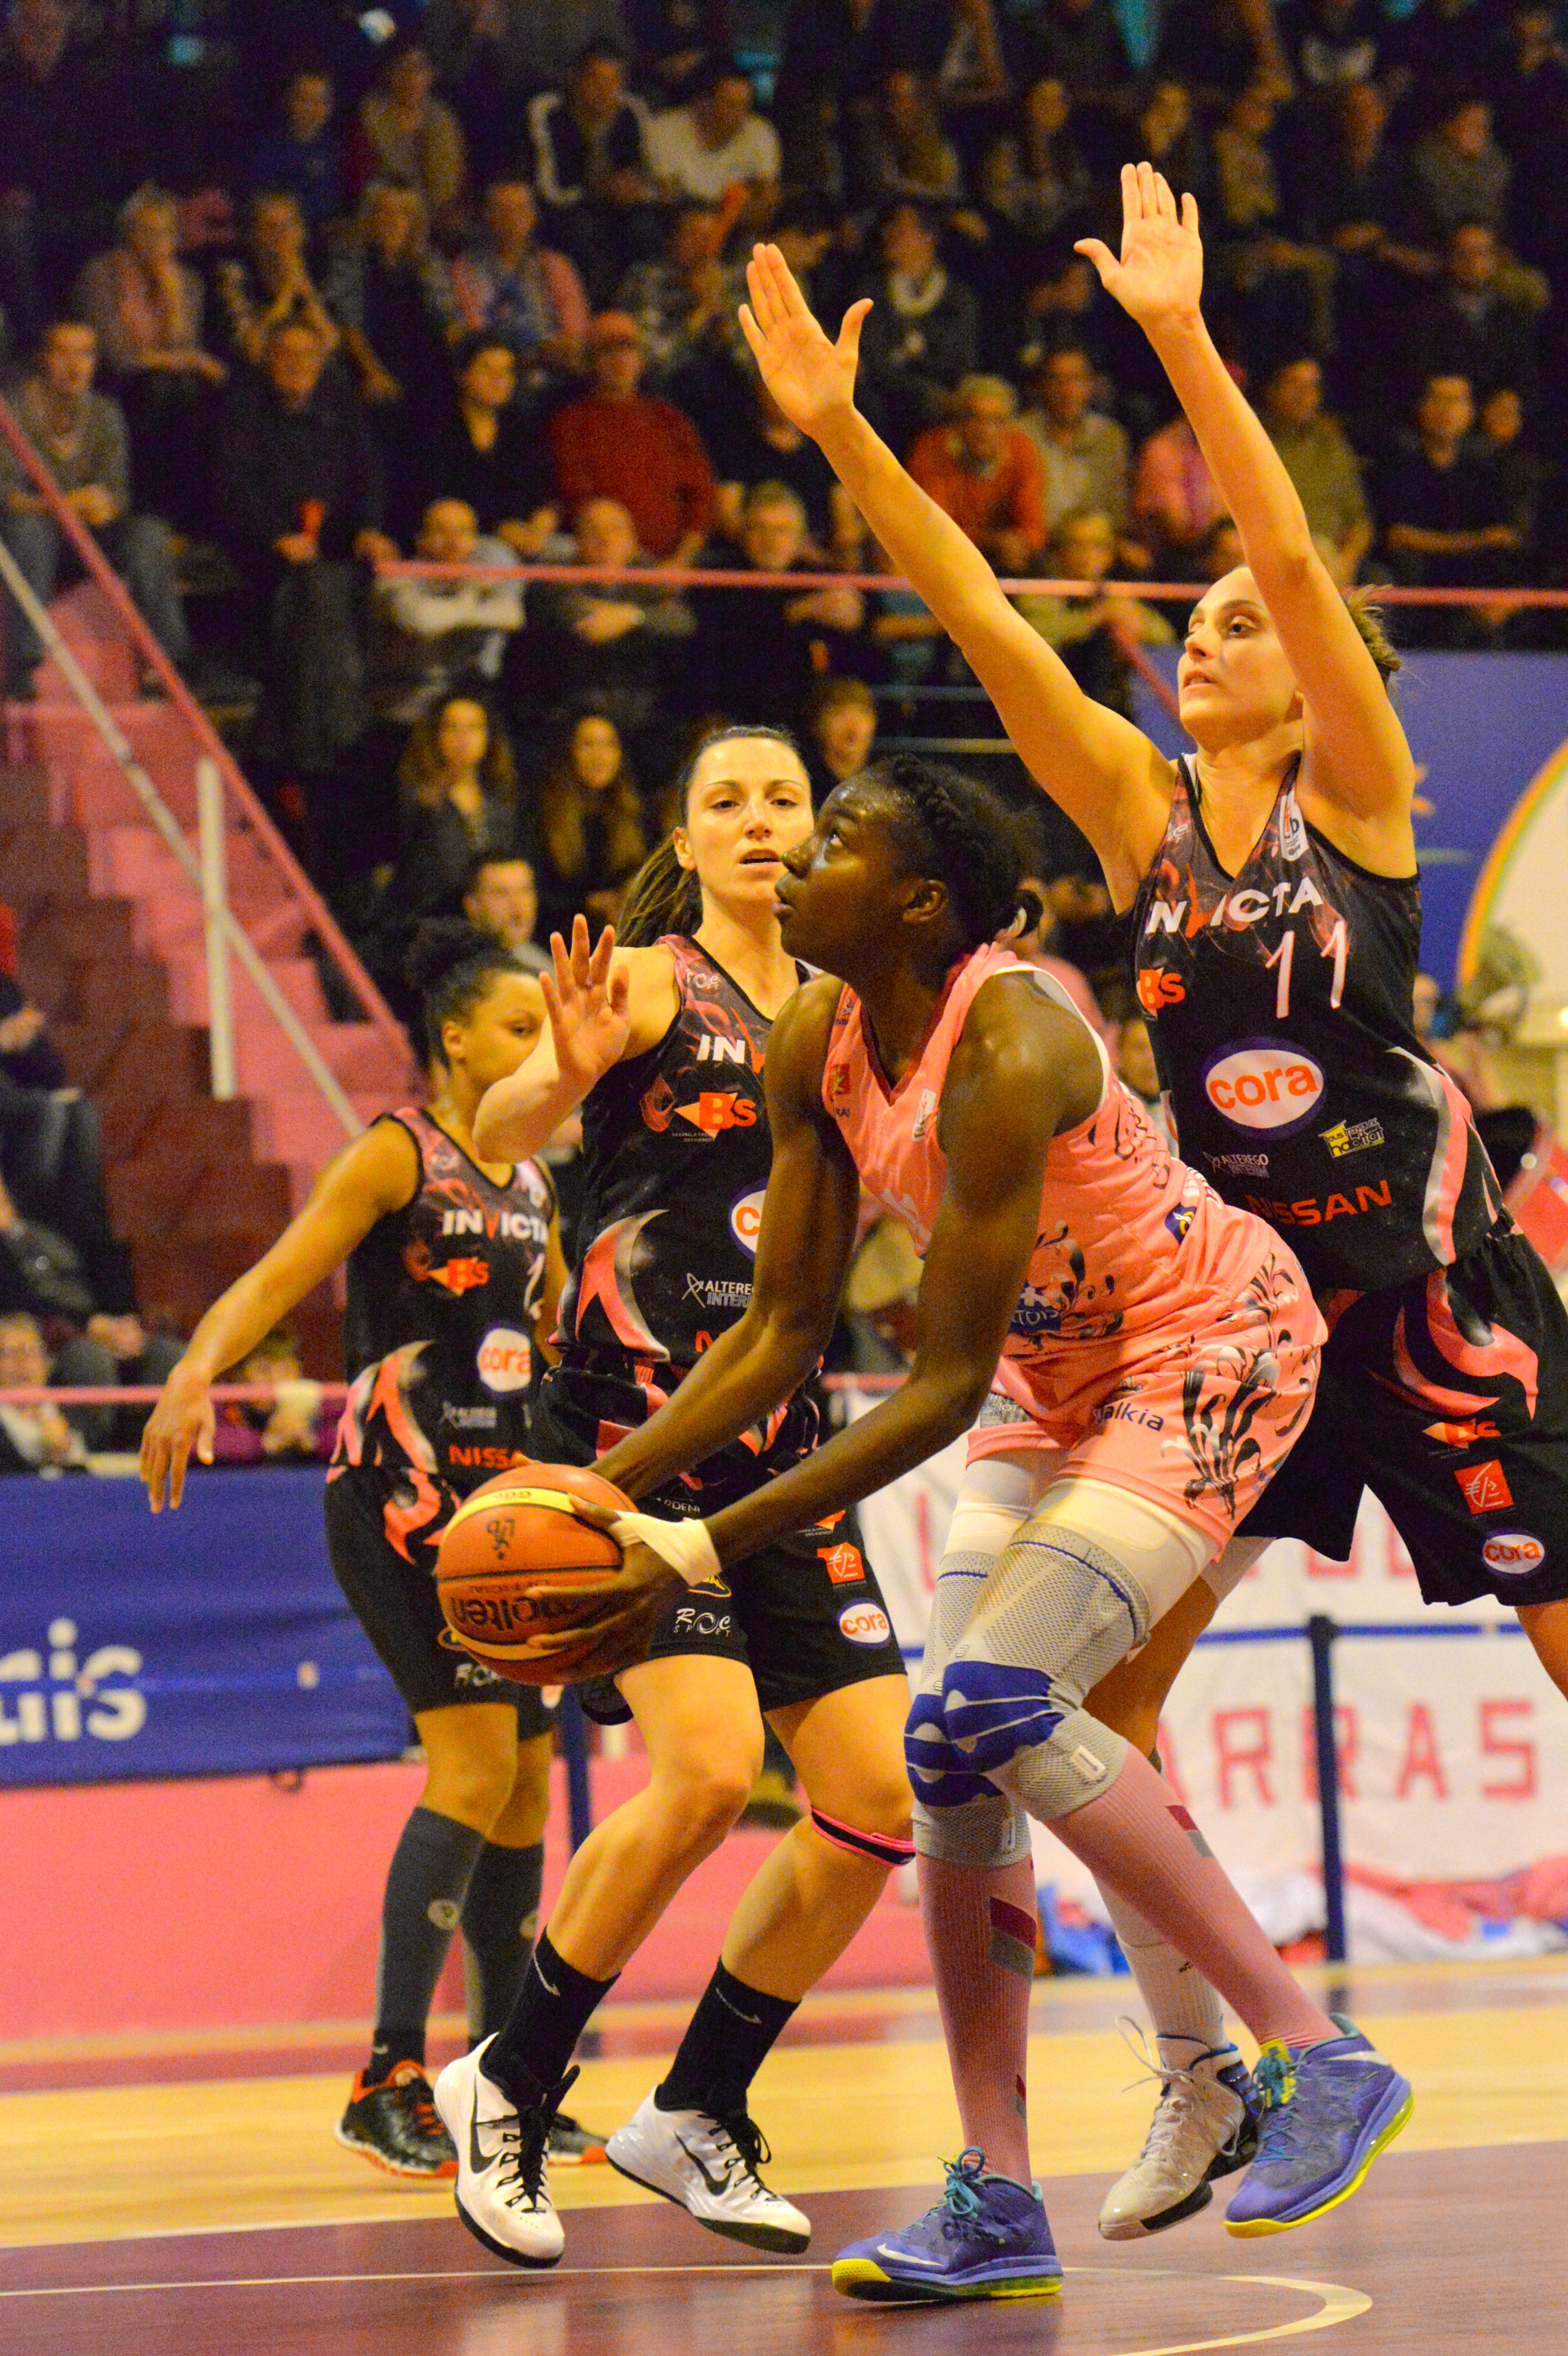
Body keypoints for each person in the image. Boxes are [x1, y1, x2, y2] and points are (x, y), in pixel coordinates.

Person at [733, 165, 1568, 2233]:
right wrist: (842, 437)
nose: (1206, 637)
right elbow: (983, 615)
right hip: (1232, 1326)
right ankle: (1208, 2079)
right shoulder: (1138, 810)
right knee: (1093, 1711)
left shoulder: (1357, 794)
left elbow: (1284, 548)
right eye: (1186, 625)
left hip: (1430, 1301)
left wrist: (1182, 340)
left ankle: (1237, 2069)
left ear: (1315, 670)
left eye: (1236, 628)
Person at [498, 740, 1410, 2294]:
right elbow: (780, 1325)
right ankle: (998, 2194)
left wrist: (703, 1540)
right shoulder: (815, 1031)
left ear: (917, 902)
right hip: (1051, 1375)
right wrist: (610, 1482)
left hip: (1206, 1348)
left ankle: (1315, 2054)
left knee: (993, 1696)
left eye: (835, 836)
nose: (800, 853)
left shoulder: (1012, 1035)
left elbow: (929, 1388)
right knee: (942, 1752)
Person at [433, 727, 913, 2268]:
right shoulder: (648, 982)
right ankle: (507, 2083)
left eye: (784, 799)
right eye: (726, 801)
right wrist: (562, 1072)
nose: (759, 820)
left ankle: (695, 2103)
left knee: (874, 1799)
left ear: (823, 832)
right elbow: (496, 1130)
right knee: (704, 1775)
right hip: (631, 1436)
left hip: (790, 1446)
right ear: (688, 836)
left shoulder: (855, 1007)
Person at [139, 923, 597, 2176]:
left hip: (505, 1516)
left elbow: (551, 1342)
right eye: (518, 1028)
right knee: (473, 1767)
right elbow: (280, 1274)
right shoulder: (399, 1153)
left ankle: (500, 2075)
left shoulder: (534, 1179)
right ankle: (385, 2077)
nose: (538, 1051)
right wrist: (193, 1372)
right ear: (455, 1040)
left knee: (523, 1784)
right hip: (399, 1501)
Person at [0, 319, 190, 699]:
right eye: (64, 353)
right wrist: (64, 505)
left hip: (87, 533)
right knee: (28, 532)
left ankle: (167, 663)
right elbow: (7, 495)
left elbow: (115, 492)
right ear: (44, 358)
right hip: (31, 536)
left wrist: (101, 505)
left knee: (149, 534)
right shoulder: (13, 410)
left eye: (85, 355)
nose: (75, 365)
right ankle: (23, 666)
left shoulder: (105, 413)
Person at [71, 186, 227, 533]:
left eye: (165, 232)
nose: (156, 241)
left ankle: (188, 518)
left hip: (172, 387)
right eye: (146, 231)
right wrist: (189, 360)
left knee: (187, 389)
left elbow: (184, 346)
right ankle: (153, 513)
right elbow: (117, 357)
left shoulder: (188, 282)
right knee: (162, 387)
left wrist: (172, 300)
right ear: (128, 233)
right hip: (117, 384)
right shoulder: (101, 276)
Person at [547, 312, 717, 564]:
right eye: (608, 349)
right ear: (591, 359)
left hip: (676, 565)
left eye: (629, 347)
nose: (620, 358)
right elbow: (577, 502)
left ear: (641, 357)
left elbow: (702, 496)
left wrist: (680, 562)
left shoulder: (669, 418)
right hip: (604, 564)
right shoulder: (571, 423)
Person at [449, 181, 590, 399]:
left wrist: (560, 348)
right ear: (488, 216)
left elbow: (575, 332)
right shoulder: (465, 269)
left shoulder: (554, 266)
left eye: (519, 210)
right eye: (502, 210)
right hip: (492, 375)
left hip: (553, 375)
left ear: (532, 216)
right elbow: (471, 333)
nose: (511, 218)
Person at [528, 704, 649, 936]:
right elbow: (539, 896)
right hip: (560, 937)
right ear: (569, 752)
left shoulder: (633, 813)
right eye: (588, 745)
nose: (599, 756)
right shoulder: (542, 816)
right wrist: (589, 903)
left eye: (608, 745)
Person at [908, 374, 1047, 576]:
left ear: (1007, 426)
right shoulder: (931, 451)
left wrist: (1019, 544)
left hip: (1002, 562)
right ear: (958, 422)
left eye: (995, 421)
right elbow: (934, 531)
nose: (985, 430)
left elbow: (1034, 529)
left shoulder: (1022, 451)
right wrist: (991, 542)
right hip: (943, 562)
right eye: (974, 418)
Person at [395, 697, 520, 918]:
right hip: (436, 920)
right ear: (436, 735)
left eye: (474, 727)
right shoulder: (419, 800)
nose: (464, 737)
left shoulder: (503, 797)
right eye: (453, 727)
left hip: (497, 917)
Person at [1255, 355, 1370, 585]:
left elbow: (1360, 524)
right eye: (1294, 385)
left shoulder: (1332, 445)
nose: (1303, 395)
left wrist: (1345, 563)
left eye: (1311, 386)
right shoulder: (1253, 441)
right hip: (1272, 560)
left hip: (1331, 562)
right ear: (1272, 391)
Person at [463, 850, 550, 974]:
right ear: (472, 905)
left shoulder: (542, 963)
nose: (517, 904)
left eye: (525, 891)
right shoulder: (461, 971)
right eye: (501, 893)